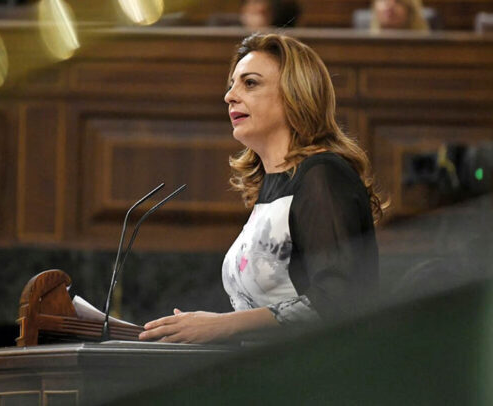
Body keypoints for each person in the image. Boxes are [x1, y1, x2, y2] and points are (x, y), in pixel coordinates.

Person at [139, 33, 383, 344]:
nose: (230, 95)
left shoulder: (323, 175)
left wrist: (224, 325)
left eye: (250, 83)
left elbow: (340, 299)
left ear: (295, 94)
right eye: (232, 84)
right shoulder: (272, 185)